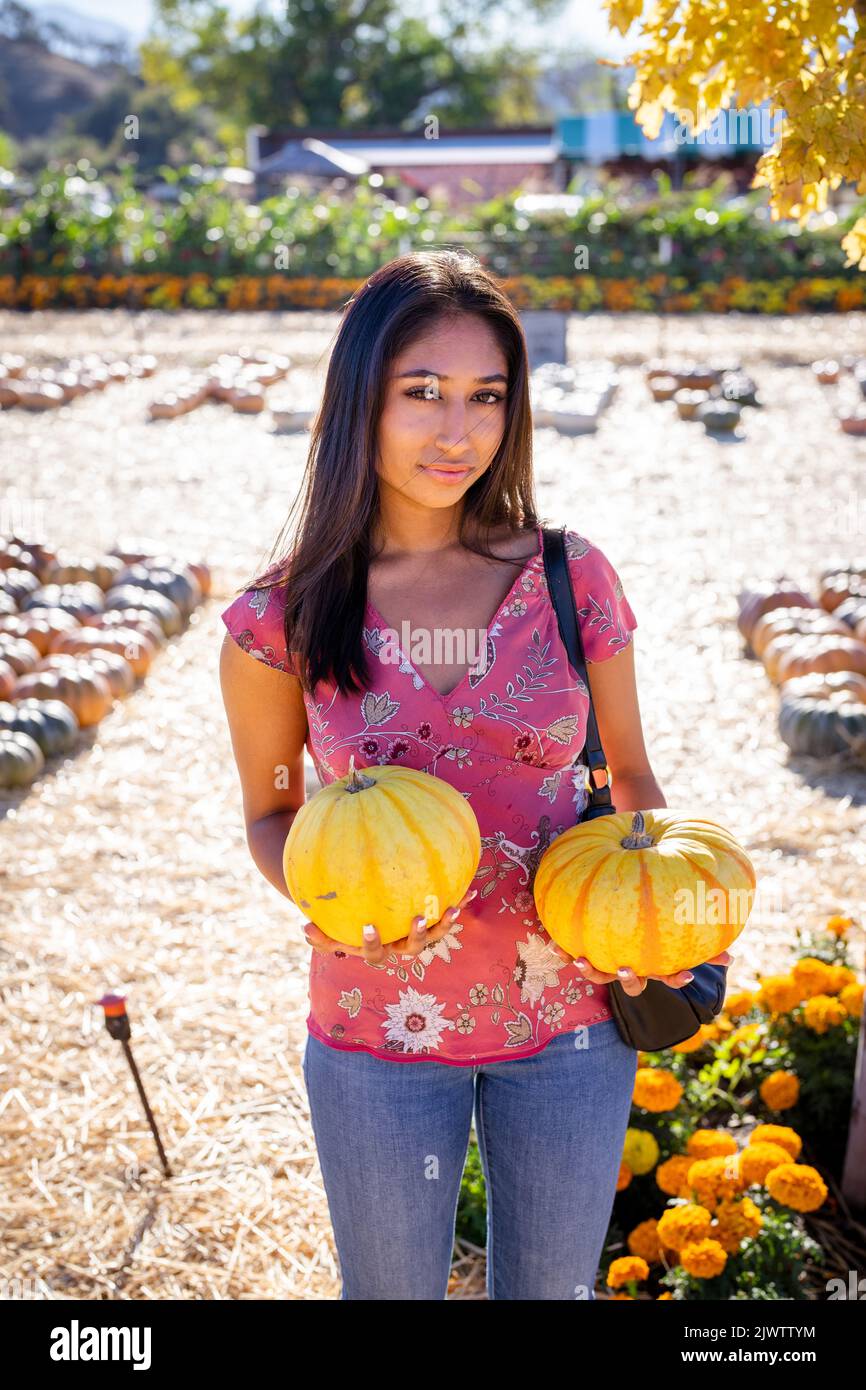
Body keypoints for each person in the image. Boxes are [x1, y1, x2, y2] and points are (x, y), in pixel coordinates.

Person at [218, 249, 731, 1300]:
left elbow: (626, 774)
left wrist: (661, 922)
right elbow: (273, 807)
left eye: (484, 397)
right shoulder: (284, 615)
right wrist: (339, 906)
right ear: (357, 398)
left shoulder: (567, 574)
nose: (457, 431)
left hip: (571, 1019)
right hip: (380, 1019)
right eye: (421, 394)